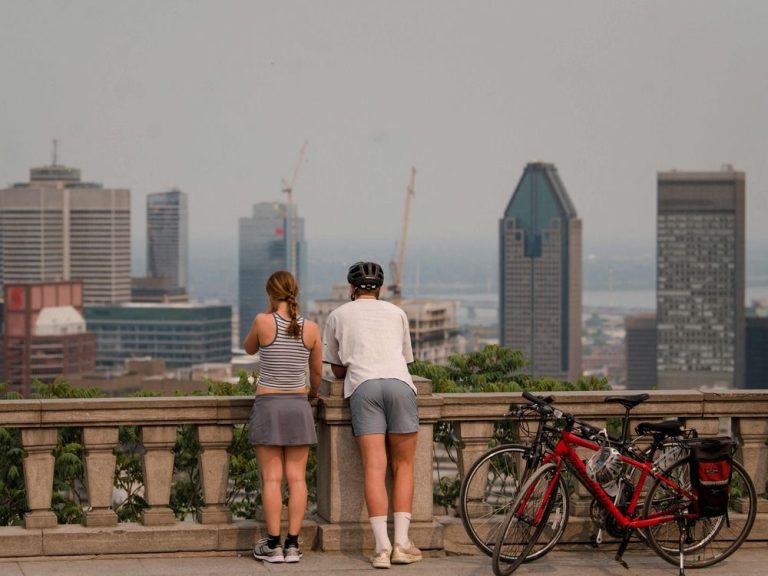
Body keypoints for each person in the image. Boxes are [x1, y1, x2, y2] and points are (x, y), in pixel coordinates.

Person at [323, 261, 422, 569]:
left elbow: (336, 367)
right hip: (399, 385)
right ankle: (403, 544)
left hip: (363, 387)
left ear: (352, 289)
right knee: (403, 465)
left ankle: (381, 548)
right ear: (380, 288)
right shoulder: (397, 313)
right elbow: (406, 358)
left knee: (373, 468)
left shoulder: (338, 315)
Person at [244, 270, 322, 564]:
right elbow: (316, 373)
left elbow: (249, 348)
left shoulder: (263, 322)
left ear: (270, 293)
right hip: (298, 405)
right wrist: (313, 394)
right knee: (297, 479)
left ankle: (273, 544)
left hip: (269, 405)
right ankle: (292, 545)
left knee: (272, 479)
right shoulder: (311, 328)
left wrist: (267, 313)